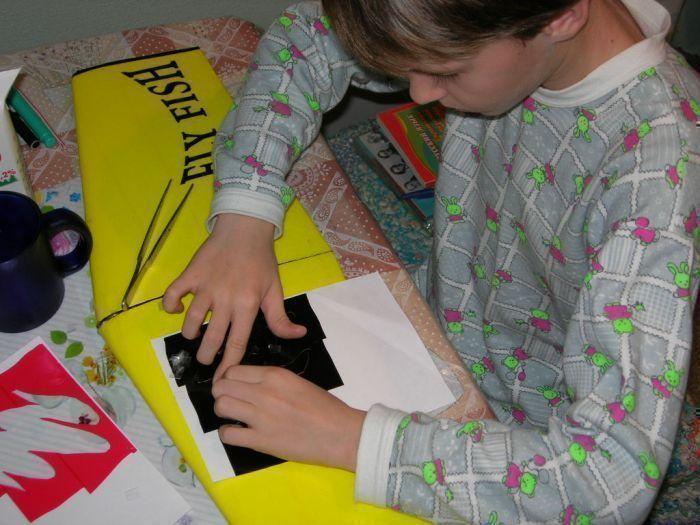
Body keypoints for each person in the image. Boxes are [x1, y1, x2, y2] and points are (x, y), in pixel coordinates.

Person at [163, 0, 699, 522]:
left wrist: (354, 441)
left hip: (521, 433)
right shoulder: (506, 30)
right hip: (439, 315)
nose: (417, 94)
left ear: (561, 17)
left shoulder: (659, 181)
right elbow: (307, 37)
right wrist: (246, 212)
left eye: (446, 71)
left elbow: (607, 482)